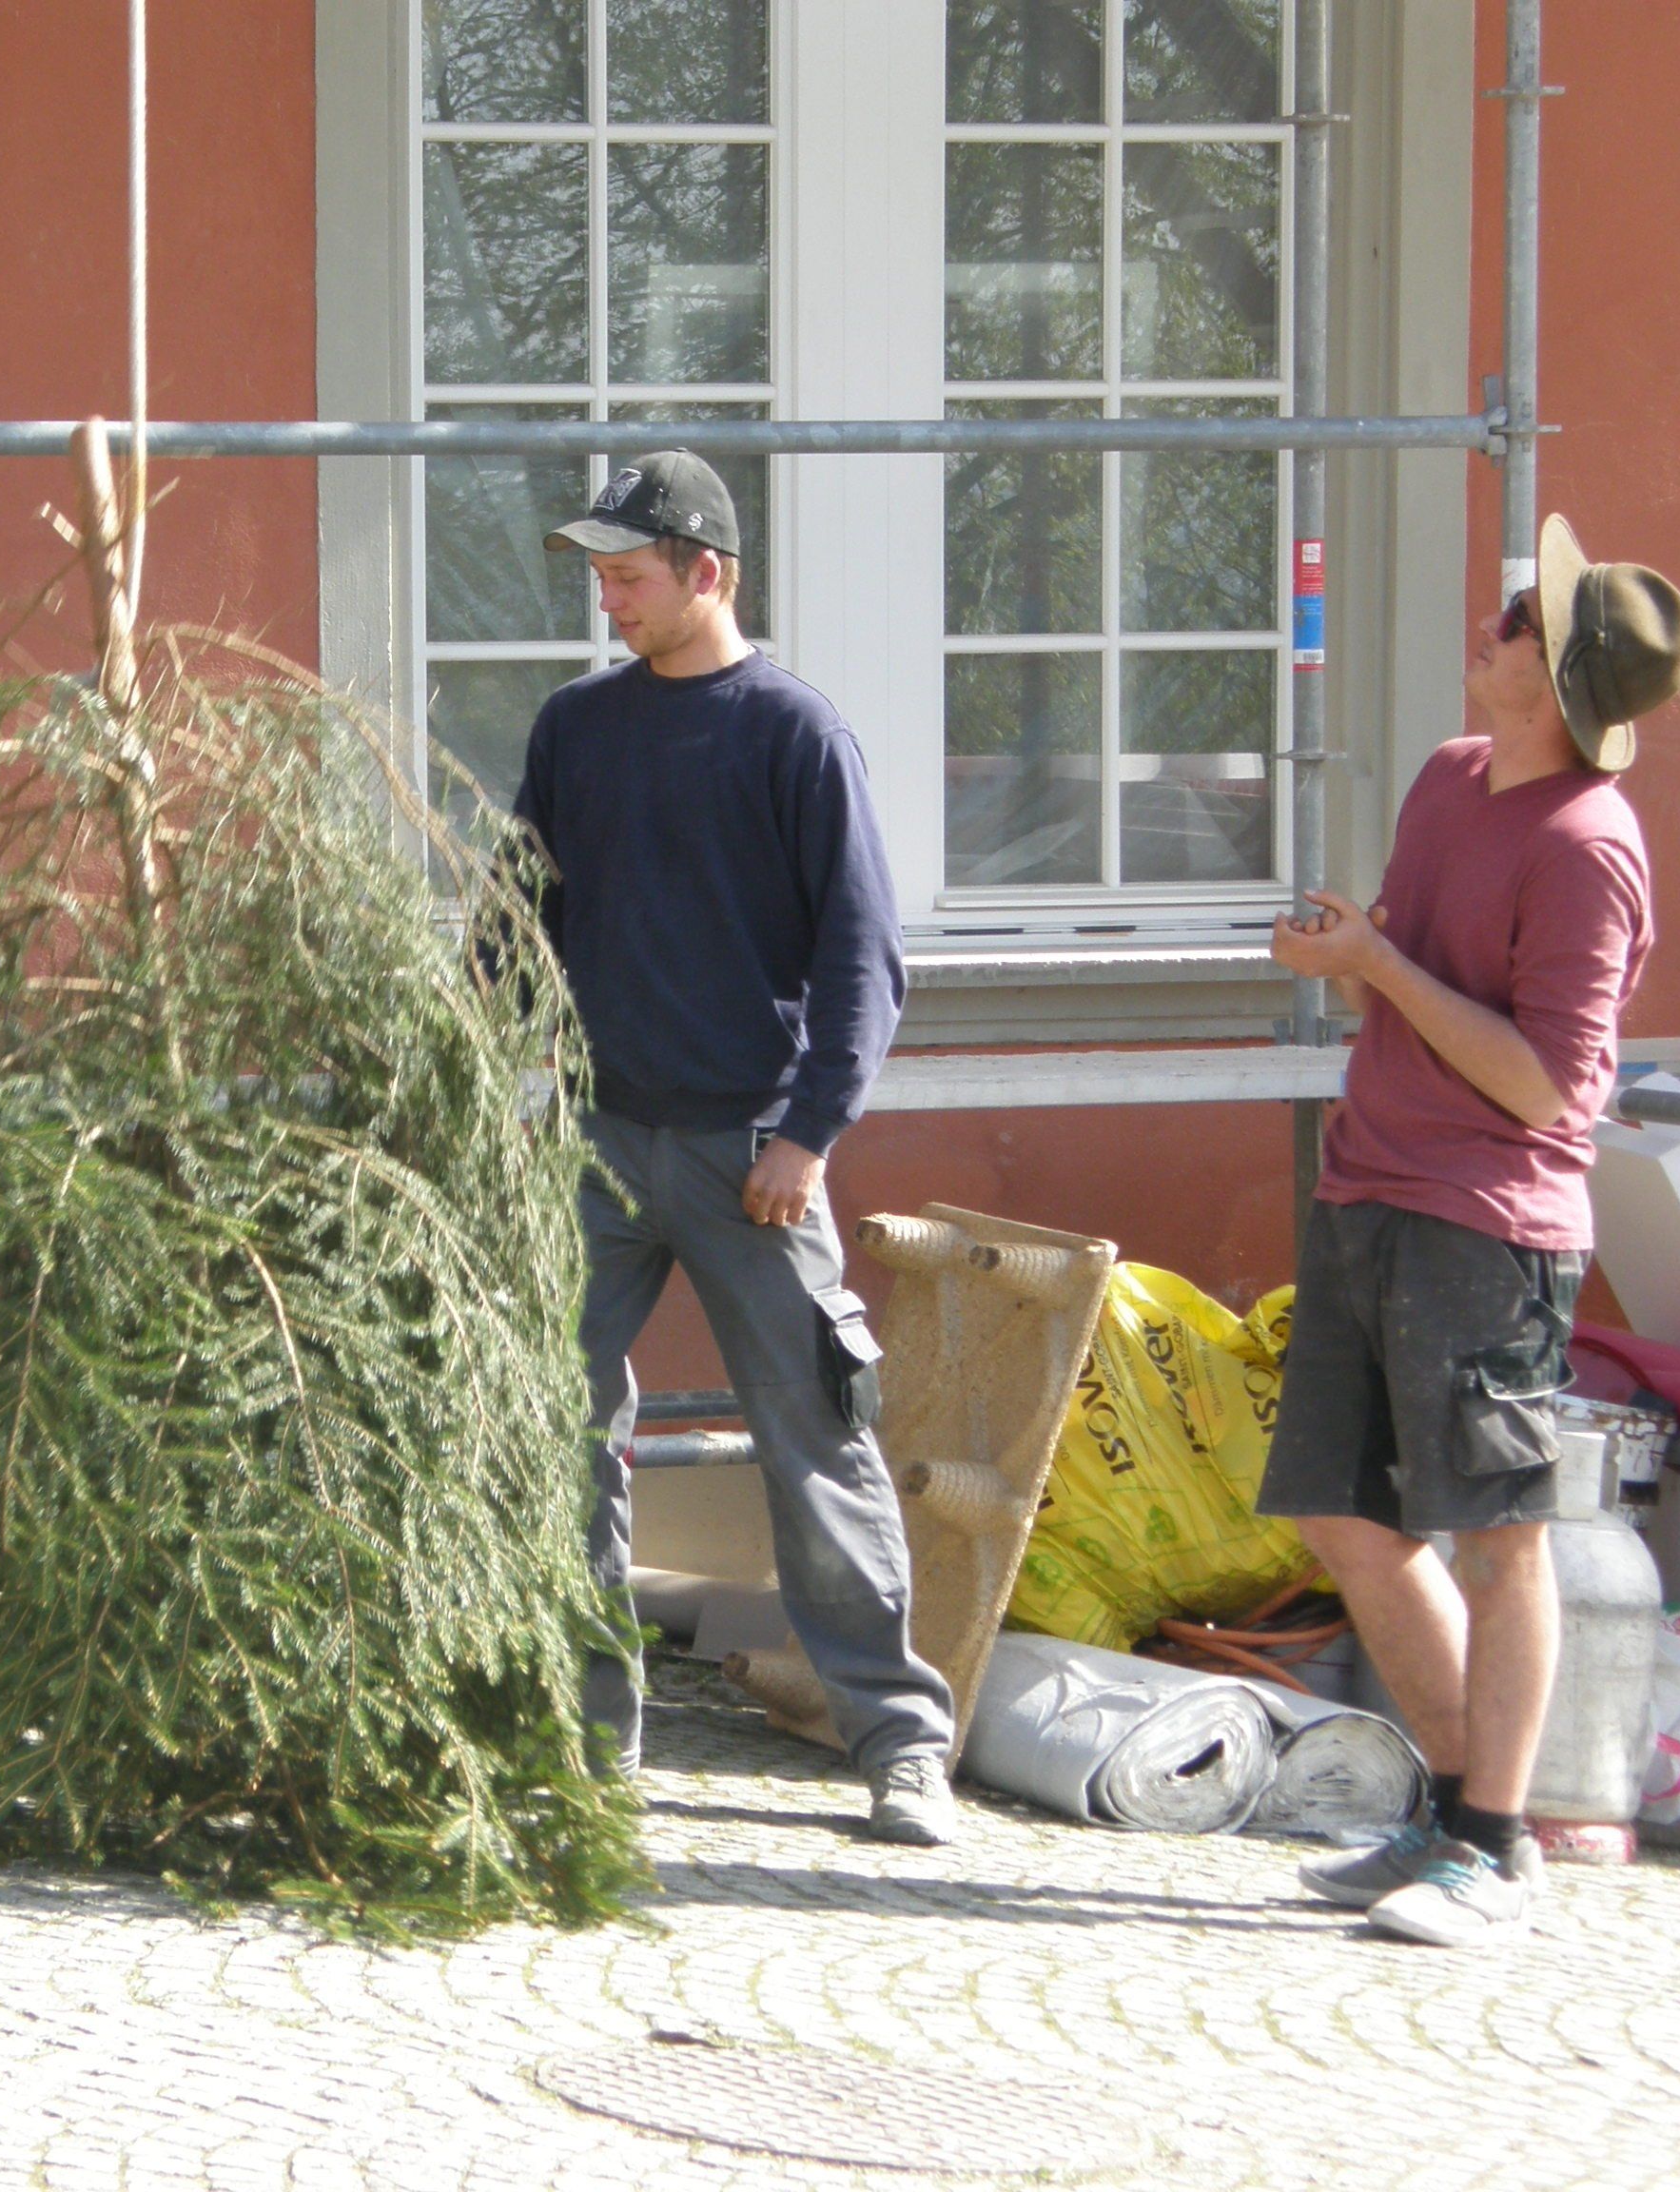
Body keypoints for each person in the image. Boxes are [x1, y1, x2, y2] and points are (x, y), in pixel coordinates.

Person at [506, 449, 960, 1845]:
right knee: (560, 1430)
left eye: (628, 576)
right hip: (593, 1145)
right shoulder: (577, 731)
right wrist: (473, 1066)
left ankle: (901, 1743)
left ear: (708, 573)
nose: (608, 600)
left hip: (753, 1157)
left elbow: (864, 959)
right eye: (599, 576)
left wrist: (808, 1137)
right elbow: (519, 919)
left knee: (817, 1441)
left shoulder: (796, 736)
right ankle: (589, 1747)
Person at [1260, 513, 1680, 1946]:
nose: (1494, 624)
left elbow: (1551, 1085)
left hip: (1489, 1228)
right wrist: (1347, 959)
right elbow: (1401, 978)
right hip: (1368, 1190)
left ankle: (1496, 1846)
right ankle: (1455, 1817)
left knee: (1501, 1539)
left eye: (1522, 622)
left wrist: (1378, 966)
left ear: (1555, 680)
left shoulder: (1589, 846)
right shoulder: (1452, 778)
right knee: (1346, 1518)